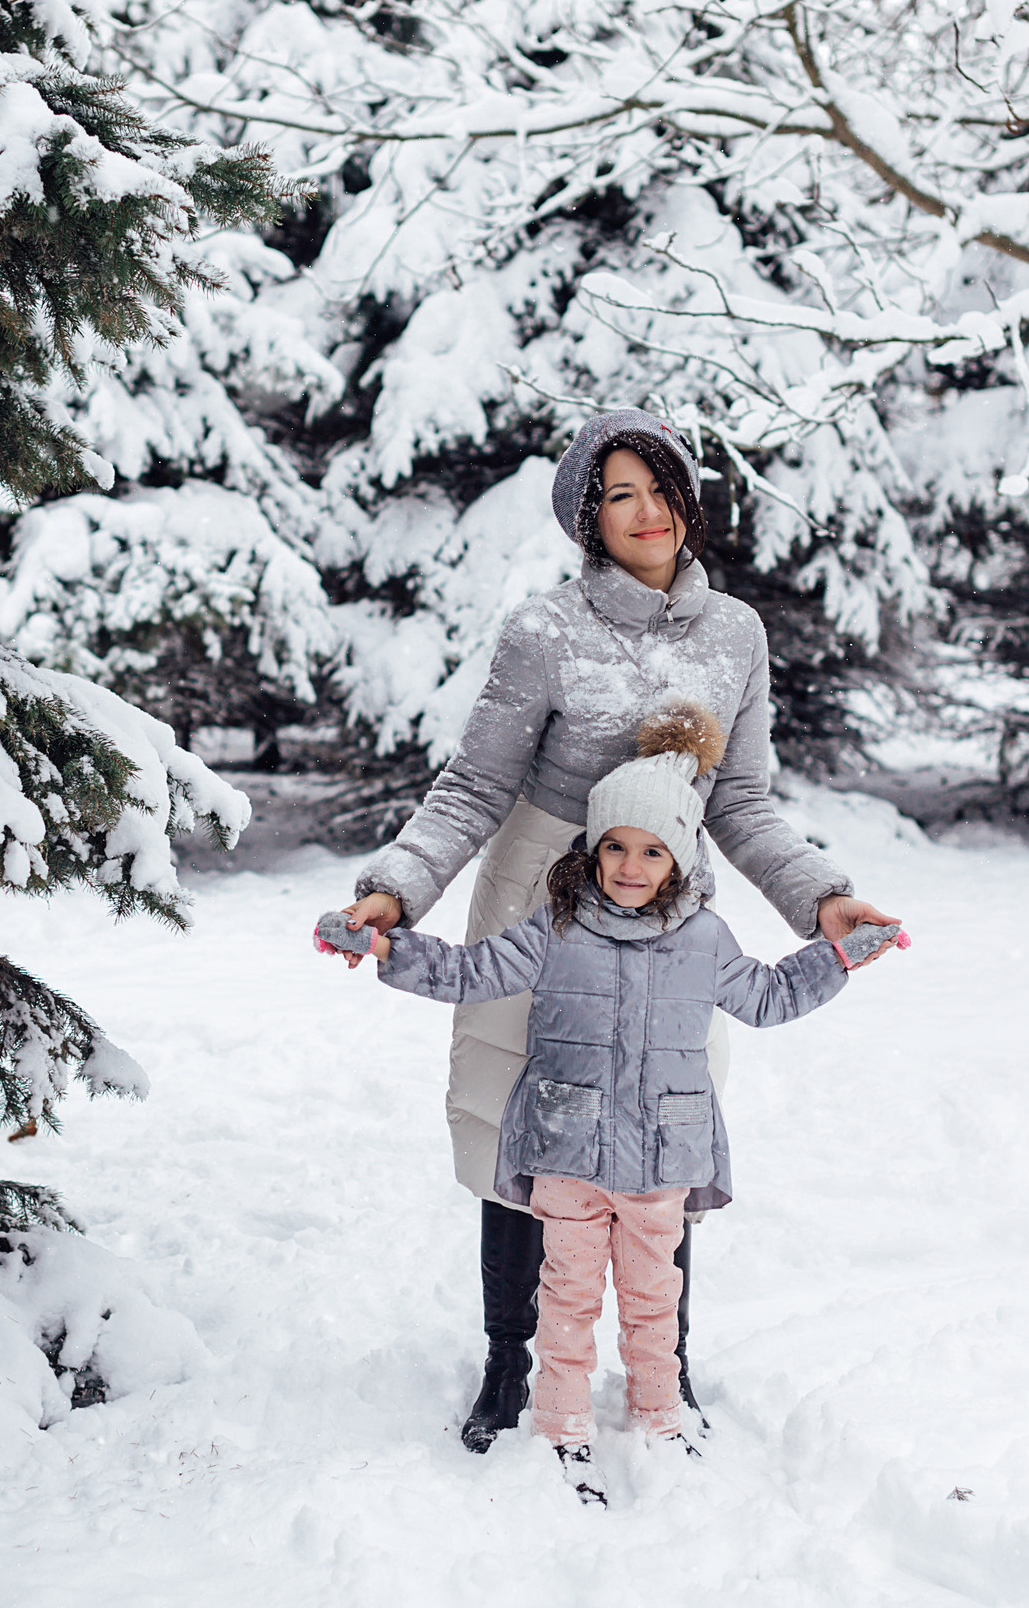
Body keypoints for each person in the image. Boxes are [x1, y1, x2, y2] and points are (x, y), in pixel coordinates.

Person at [332, 407, 900, 1452]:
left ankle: (660, 1362)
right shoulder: (544, 631)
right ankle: (512, 1359)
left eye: (657, 488)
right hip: (542, 886)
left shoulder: (735, 633)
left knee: (661, 1118)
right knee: (524, 1124)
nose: (643, 512)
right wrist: (395, 892)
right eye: (616, 495)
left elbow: (744, 803)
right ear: (589, 521)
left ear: (686, 497)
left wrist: (821, 897)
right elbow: (472, 787)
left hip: (670, 891)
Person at [334, 706, 879, 1502]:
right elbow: (465, 973)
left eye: (652, 849)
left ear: (680, 859)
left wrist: (838, 957)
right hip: (569, 1149)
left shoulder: (704, 939)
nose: (630, 864)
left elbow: (768, 995)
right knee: (565, 1296)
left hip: (664, 1153)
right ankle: (560, 1423)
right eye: (615, 845)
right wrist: (384, 946)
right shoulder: (555, 928)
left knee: (658, 1299)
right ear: (591, 849)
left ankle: (660, 1413)